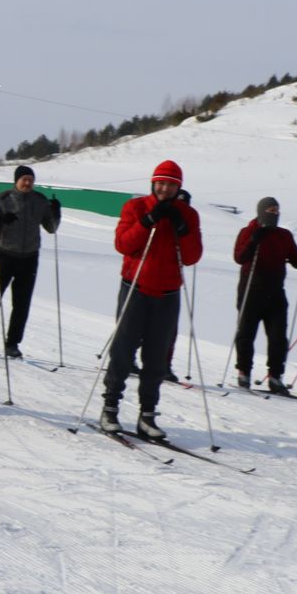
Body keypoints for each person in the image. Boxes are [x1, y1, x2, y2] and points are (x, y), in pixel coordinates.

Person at [99, 161, 202, 439]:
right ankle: (110, 407)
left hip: (167, 293)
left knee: (157, 357)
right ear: (153, 183)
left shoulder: (188, 215)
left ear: (179, 187)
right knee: (123, 350)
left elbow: (192, 256)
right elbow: (123, 244)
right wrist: (148, 221)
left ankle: (147, 415)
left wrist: (181, 228)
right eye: (161, 183)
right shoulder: (136, 208)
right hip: (136, 287)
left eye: (171, 184)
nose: (165, 188)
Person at [0, 164, 62, 359]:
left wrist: (56, 212)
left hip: (29, 257)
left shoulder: (40, 201)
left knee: (22, 304)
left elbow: (51, 227)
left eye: (30, 179)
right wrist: (1, 218)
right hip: (5, 254)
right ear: (17, 181)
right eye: (24, 179)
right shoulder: (4, 198)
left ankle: (12, 343)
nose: (28, 182)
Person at [231, 197, 297, 394]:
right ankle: (244, 372)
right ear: (261, 211)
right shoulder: (248, 231)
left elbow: (295, 261)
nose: (274, 214)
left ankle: (275, 376)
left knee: (278, 337)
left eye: (277, 211)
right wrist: (253, 240)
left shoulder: (283, 235)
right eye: (270, 210)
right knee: (246, 334)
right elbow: (239, 257)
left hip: (275, 292)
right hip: (251, 290)